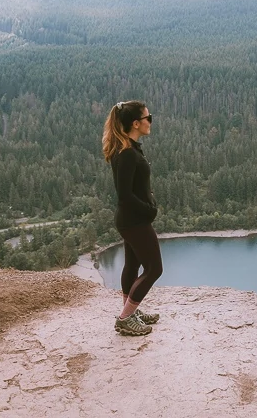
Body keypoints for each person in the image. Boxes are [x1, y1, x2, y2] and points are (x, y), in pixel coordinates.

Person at [102, 100, 162, 336]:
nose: (151, 122)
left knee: (133, 265)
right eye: (149, 118)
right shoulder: (127, 153)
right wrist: (149, 210)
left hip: (130, 220)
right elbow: (124, 195)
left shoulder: (129, 147)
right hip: (135, 221)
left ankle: (130, 311)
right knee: (154, 268)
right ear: (136, 123)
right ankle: (125, 318)